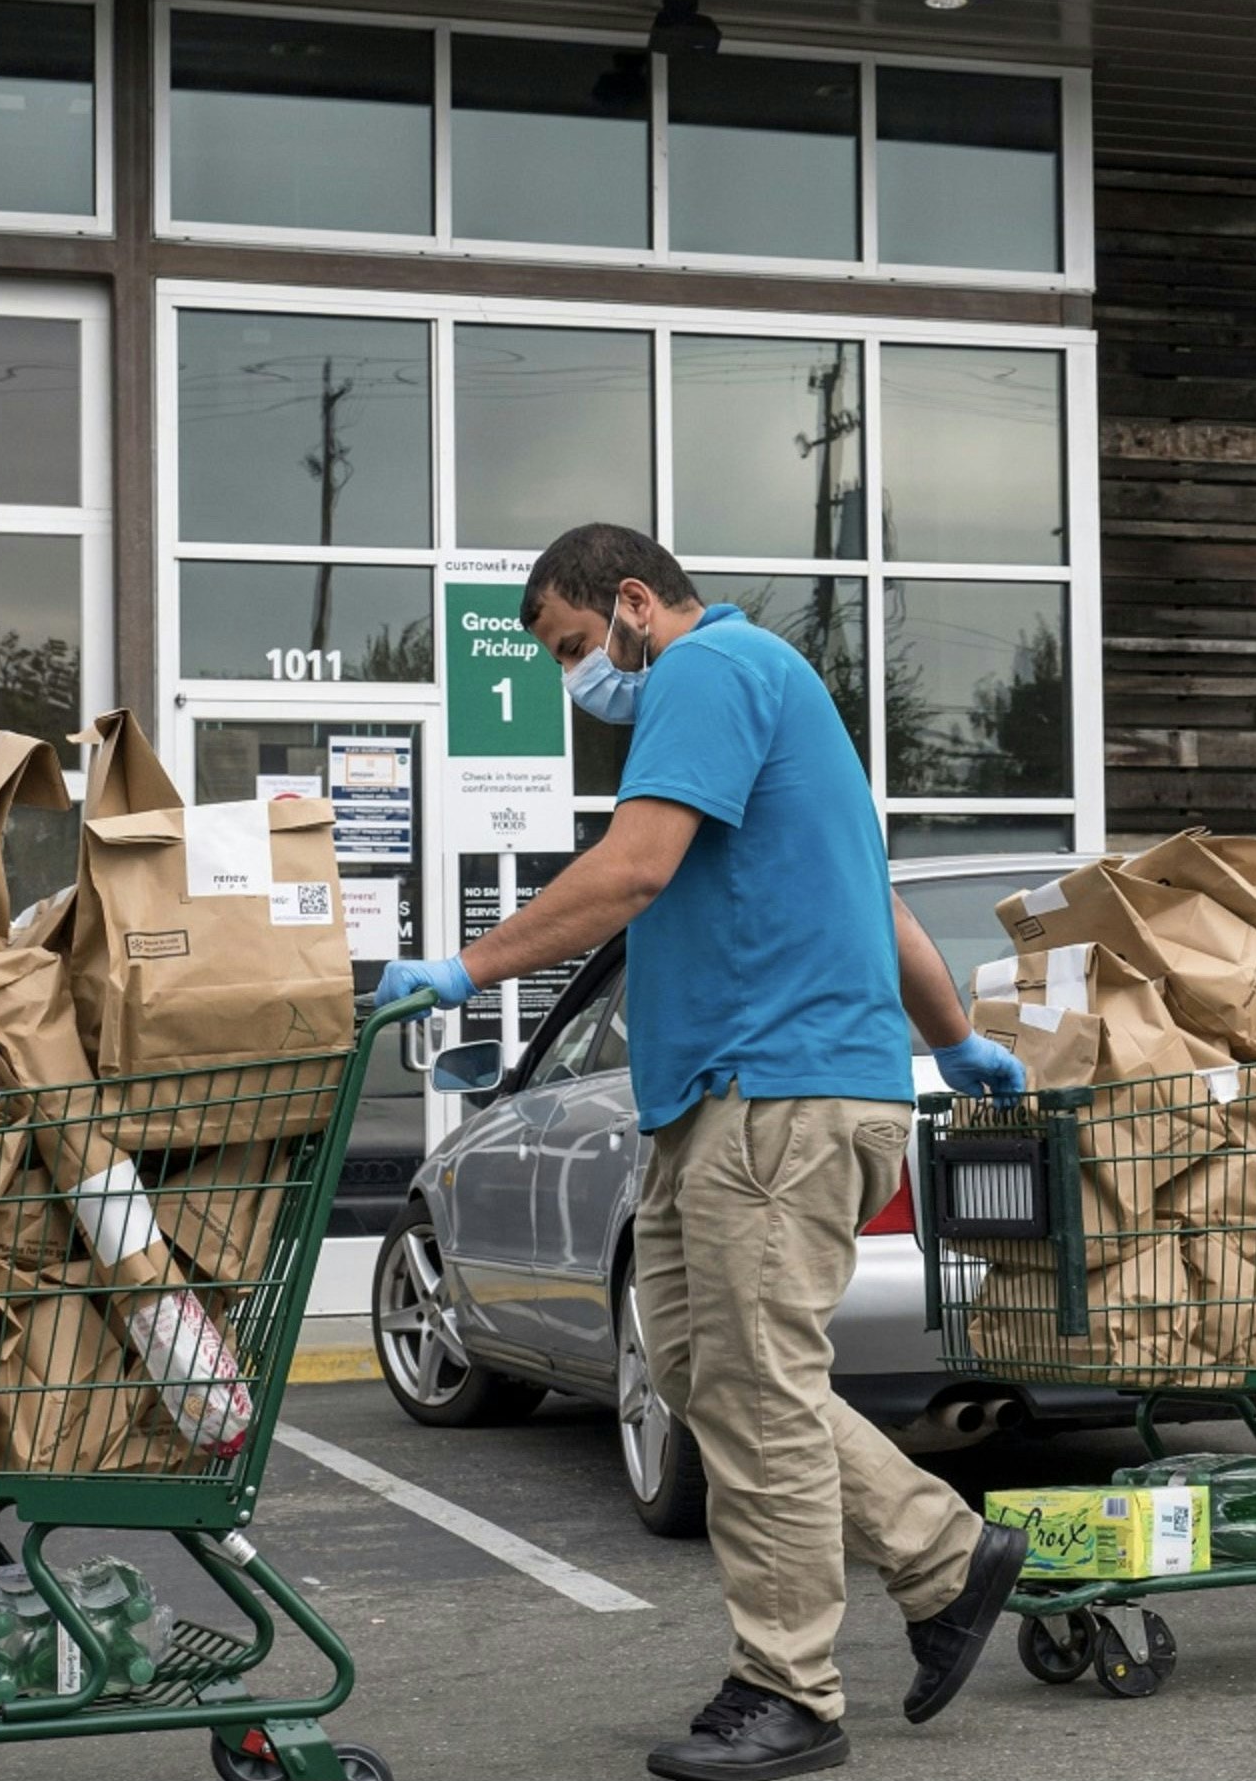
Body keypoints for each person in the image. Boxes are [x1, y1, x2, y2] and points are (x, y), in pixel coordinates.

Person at [370, 523, 1028, 1781]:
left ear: (631, 602)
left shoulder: (705, 670)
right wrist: (958, 1038)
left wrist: (466, 966)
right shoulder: (774, 694)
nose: (583, 680)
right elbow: (872, 898)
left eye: (575, 647)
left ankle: (791, 1689)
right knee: (700, 1371)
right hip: (717, 1105)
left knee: (759, 1385)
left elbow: (632, 870)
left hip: (773, 1101)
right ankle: (947, 1555)